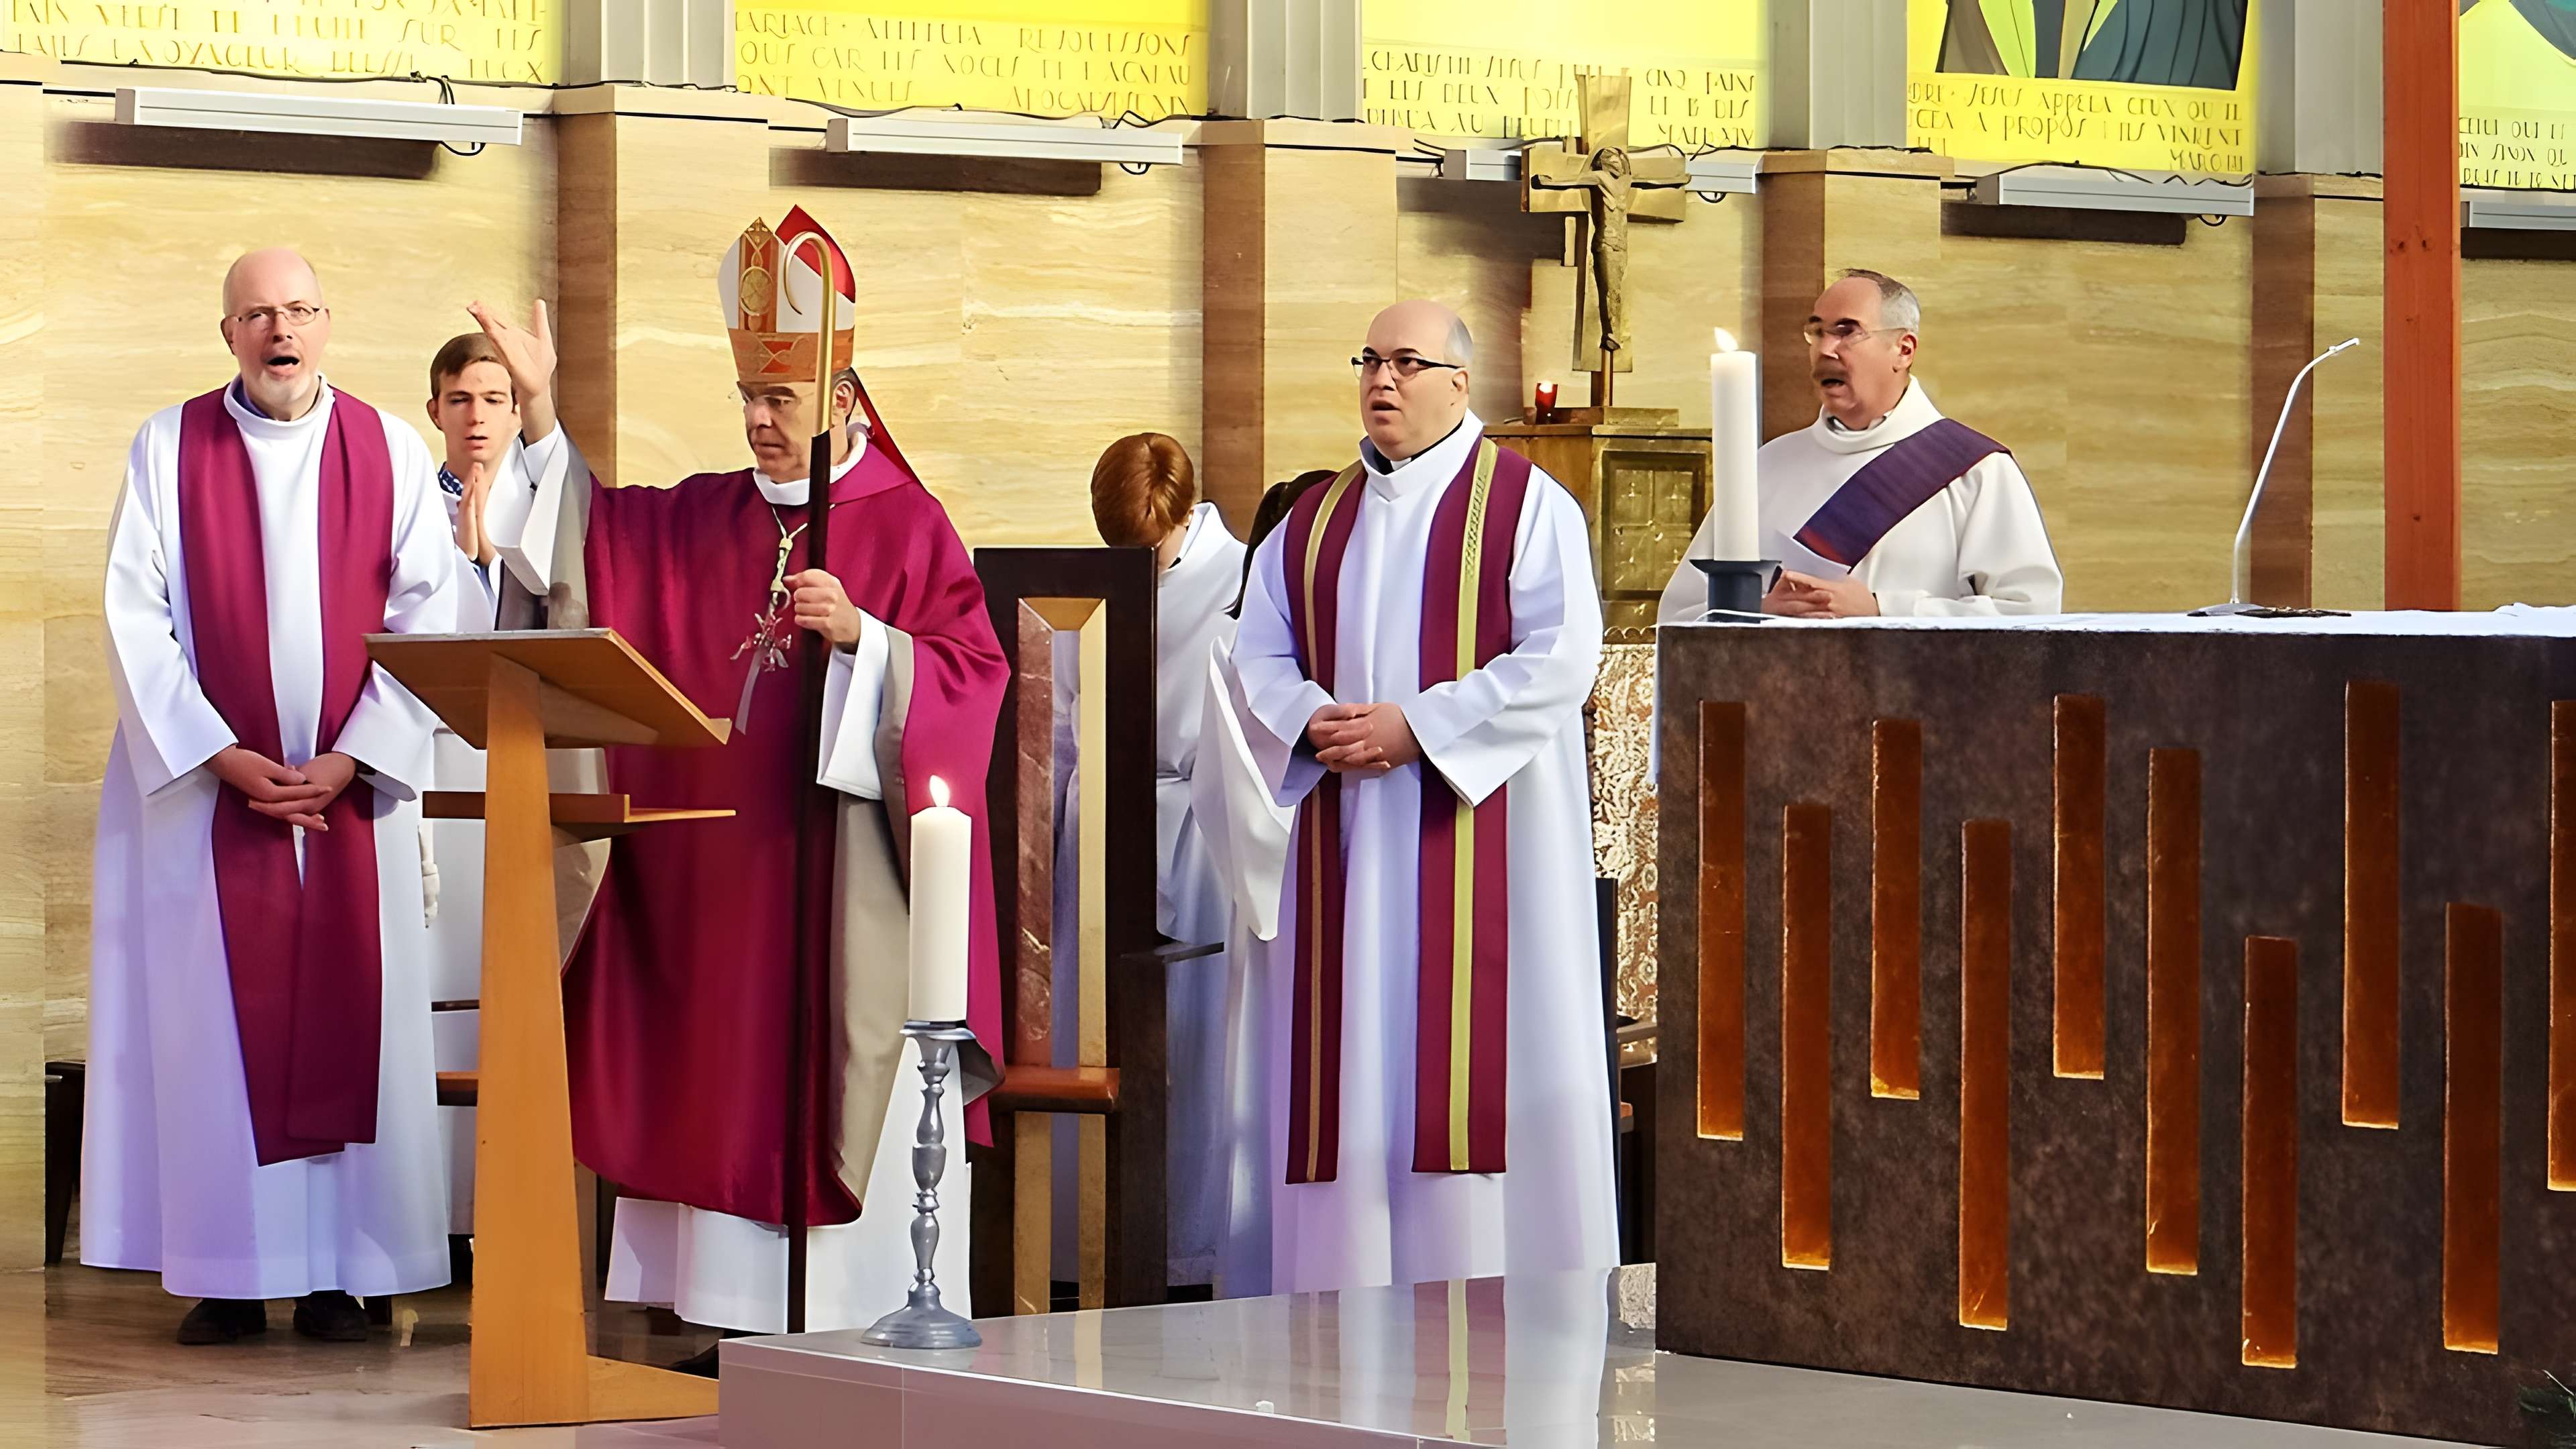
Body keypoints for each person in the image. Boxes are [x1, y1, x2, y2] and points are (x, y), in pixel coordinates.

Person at [473, 209, 1008, 1358]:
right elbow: (584, 543)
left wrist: (870, 638)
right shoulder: (699, 516)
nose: (764, 424)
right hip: (711, 883)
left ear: (847, 403)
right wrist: (541, 412)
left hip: (837, 879)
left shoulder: (908, 525)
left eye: (784, 403)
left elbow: (975, 678)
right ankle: (727, 1315)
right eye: (750, 403)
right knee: (710, 1056)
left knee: (826, 1055)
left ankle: (853, 1307)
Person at [84, 248, 460, 1344]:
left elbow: (431, 617)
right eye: (256, 315)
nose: (279, 332)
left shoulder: (387, 448)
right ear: (229, 335)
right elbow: (133, 618)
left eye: (297, 311)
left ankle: (346, 1275)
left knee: (355, 1011)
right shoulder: (168, 446)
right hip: (215, 805)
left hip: (348, 796)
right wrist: (216, 754)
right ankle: (232, 1274)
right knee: (216, 1037)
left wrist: (354, 756)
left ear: (327, 323)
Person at [1218, 299, 1617, 1295]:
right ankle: (1336, 1318)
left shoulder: (1527, 504)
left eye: (1406, 362)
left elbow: (1562, 658)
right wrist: (1311, 718)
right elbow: (1251, 653)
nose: (1381, 380)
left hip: (1479, 838)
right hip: (1344, 844)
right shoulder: (1312, 523)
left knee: (1470, 1066)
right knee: (1347, 1075)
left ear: (1458, 382)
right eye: (1369, 361)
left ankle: (1511, 1316)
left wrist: (1422, 728)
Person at [1656, 270, 2063, 623]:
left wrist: (1881, 609)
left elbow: (2030, 613)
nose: (1824, 349)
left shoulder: (1975, 471)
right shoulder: (1769, 465)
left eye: (1847, 332)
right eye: (1817, 331)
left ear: (1903, 350)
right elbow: (1681, 614)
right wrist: (1762, 610)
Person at [1081, 433, 1245, 1289]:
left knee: (1193, 1049)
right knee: (1093, 1033)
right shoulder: (1090, 583)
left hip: (1198, 835)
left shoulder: (1245, 581)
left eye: (1154, 549)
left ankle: (1190, 1244)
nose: (1140, 567)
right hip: (1100, 831)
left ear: (1186, 513)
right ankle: (1087, 1237)